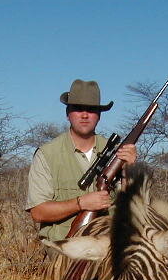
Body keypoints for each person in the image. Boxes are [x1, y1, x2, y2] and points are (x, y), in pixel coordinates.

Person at [26, 79, 137, 241]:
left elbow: (133, 209)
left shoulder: (117, 152)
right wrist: (80, 203)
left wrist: (131, 170)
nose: (85, 115)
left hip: (109, 245)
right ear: (67, 114)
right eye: (78, 109)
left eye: (91, 110)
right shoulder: (47, 154)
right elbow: (38, 212)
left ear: (99, 116)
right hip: (63, 247)